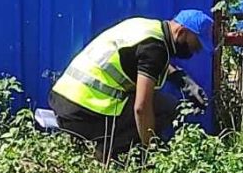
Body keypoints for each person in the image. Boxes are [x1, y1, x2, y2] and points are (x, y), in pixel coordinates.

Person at [49, 9, 214, 161]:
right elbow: (141, 108)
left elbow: (143, 58)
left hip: (64, 100)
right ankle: (107, 153)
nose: (196, 51)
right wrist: (152, 151)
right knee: (165, 108)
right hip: (83, 113)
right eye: (196, 44)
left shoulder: (145, 26)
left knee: (156, 104)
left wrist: (183, 80)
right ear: (182, 31)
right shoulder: (156, 49)